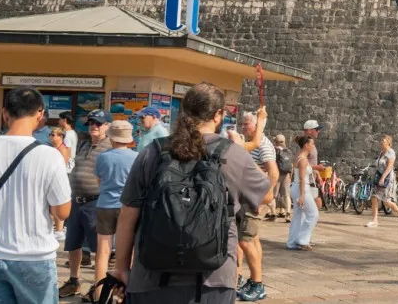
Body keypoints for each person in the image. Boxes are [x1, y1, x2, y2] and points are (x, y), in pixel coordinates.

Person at [111, 82, 272, 304]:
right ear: (218, 115)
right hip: (213, 280)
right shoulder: (233, 154)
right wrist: (241, 151)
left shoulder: (153, 151)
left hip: (150, 279)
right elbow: (267, 195)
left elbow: (128, 215)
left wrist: (121, 267)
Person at [0, 88, 71, 304]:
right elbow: (62, 211)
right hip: (34, 255)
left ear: (4, 113)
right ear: (40, 114)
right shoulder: (50, 156)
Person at [59, 108, 111, 298]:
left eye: (98, 123)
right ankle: (74, 281)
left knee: (99, 250)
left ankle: (98, 287)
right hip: (76, 201)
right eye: (91, 123)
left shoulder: (111, 146)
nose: (93, 127)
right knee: (73, 244)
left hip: (95, 203)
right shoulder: (82, 144)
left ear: (107, 126)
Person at [89, 120, 137, 302]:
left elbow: (99, 182)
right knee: (129, 251)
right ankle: (126, 293)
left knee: (103, 251)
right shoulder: (136, 157)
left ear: (111, 137)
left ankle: (99, 294)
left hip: (104, 205)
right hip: (128, 207)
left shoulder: (103, 157)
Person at [237, 110, 278, 301]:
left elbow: (274, 173)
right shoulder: (254, 143)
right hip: (248, 197)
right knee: (252, 239)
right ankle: (254, 280)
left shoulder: (262, 144)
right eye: (243, 124)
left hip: (252, 199)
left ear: (256, 125)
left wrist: (263, 198)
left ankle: (258, 284)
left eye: (246, 124)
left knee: (245, 240)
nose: (243, 127)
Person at [286, 136, 319, 251]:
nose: (313, 146)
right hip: (302, 188)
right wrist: (302, 195)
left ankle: (292, 242)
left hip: (297, 187)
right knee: (313, 214)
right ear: (306, 145)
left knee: (298, 216)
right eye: (312, 144)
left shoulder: (299, 156)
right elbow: (301, 178)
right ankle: (302, 240)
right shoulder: (303, 160)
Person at [368, 134, 398, 227]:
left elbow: (389, 166)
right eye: (381, 140)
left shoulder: (391, 152)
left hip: (387, 179)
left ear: (388, 142)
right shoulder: (381, 152)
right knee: (374, 197)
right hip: (378, 178)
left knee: (387, 201)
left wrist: (383, 177)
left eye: (383, 140)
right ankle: (375, 221)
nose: (381, 142)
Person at [46, 128, 71, 243]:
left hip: (60, 178)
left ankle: (59, 230)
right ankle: (56, 228)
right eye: (50, 135)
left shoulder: (63, 149)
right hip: (51, 177)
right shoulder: (53, 148)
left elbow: (62, 165)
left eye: (53, 135)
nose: (51, 137)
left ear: (60, 137)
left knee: (58, 202)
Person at [271, 134, 292, 220]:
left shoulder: (274, 151)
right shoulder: (288, 151)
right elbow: (291, 165)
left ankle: (273, 214)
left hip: (277, 174)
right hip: (286, 175)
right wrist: (290, 175)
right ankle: (288, 213)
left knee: (273, 195)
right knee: (287, 195)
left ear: (276, 142)